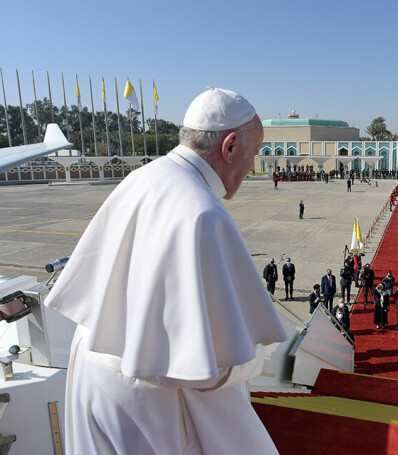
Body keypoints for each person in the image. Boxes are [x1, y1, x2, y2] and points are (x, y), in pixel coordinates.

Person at [43, 87, 287, 454]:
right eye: (254, 153)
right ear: (231, 146)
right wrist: (255, 360)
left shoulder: (143, 177)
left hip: (93, 372)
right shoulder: (202, 213)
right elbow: (208, 370)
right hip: (145, 401)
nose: (254, 165)